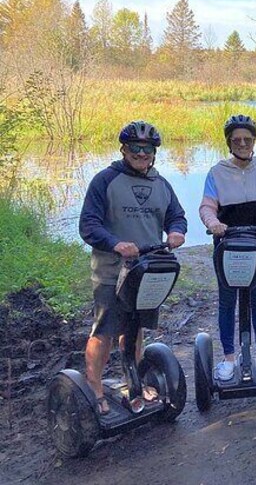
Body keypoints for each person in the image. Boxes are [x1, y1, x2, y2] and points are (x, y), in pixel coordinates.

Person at [79, 120, 187, 415]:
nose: (141, 153)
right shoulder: (105, 180)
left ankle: (133, 382)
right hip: (111, 272)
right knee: (104, 330)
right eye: (135, 148)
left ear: (154, 152)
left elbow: (176, 215)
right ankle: (95, 388)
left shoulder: (161, 184)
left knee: (135, 328)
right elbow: (88, 224)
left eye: (147, 149)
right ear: (124, 150)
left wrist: (176, 231)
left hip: (146, 271)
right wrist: (115, 243)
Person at [199, 115, 256, 380]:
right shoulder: (217, 172)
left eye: (248, 139)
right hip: (227, 245)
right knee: (227, 300)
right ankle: (228, 358)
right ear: (229, 142)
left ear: (254, 141)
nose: (243, 144)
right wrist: (213, 223)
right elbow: (207, 206)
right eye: (237, 140)